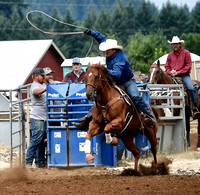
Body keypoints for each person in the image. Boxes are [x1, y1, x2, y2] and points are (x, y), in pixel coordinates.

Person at [74, 29, 155, 130]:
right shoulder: (110, 51)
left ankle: (149, 116)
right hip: (114, 81)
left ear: (114, 50)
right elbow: (101, 37)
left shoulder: (120, 59)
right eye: (106, 49)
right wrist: (91, 32)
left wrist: (104, 69)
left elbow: (116, 74)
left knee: (135, 96)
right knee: (101, 94)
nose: (105, 52)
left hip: (127, 81)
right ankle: (89, 118)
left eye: (108, 50)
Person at [165, 36, 200, 118]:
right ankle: (168, 109)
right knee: (165, 90)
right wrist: (170, 72)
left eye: (176, 44)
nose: (175, 45)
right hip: (173, 76)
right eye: (173, 44)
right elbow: (167, 67)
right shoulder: (170, 55)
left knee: (191, 88)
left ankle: (194, 107)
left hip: (184, 75)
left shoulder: (186, 53)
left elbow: (188, 66)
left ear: (180, 44)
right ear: (172, 45)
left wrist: (178, 72)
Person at [26, 68, 47, 168]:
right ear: (36, 76)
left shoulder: (42, 85)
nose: (44, 77)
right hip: (37, 118)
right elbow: (36, 92)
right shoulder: (35, 86)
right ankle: (28, 162)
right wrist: (47, 88)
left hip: (42, 117)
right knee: (36, 140)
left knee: (41, 141)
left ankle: (40, 162)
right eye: (42, 76)